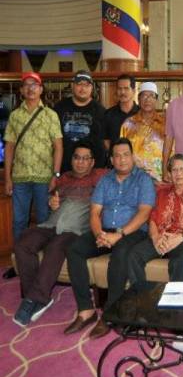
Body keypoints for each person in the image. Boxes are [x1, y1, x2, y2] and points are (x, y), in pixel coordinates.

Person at [64, 138, 155, 339]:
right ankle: (85, 310)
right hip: (105, 230)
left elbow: (144, 213)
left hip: (132, 232)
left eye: (126, 154)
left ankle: (109, 314)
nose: (122, 159)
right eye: (117, 155)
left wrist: (119, 234)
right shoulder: (105, 180)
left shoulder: (143, 180)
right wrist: (100, 235)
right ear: (111, 160)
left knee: (121, 253)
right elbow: (95, 212)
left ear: (133, 157)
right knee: (74, 249)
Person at [12, 141, 106, 326]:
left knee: (56, 247)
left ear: (93, 162)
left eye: (85, 159)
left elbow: (123, 172)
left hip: (76, 228)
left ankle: (32, 300)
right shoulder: (63, 178)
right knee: (23, 243)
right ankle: (38, 296)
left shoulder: (101, 176)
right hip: (51, 224)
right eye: (77, 158)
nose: (80, 162)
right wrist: (51, 201)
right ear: (72, 160)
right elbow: (52, 197)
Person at [3, 72, 63, 280]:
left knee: (45, 221)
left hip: (44, 178)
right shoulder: (14, 116)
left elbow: (58, 146)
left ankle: (44, 264)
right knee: (19, 221)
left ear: (41, 89)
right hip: (19, 178)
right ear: (21, 90)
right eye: (26, 85)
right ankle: (20, 264)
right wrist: (8, 177)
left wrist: (55, 174)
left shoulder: (50, 115)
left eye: (34, 85)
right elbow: (9, 147)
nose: (30, 88)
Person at [128, 154, 183, 288]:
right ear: (169, 173)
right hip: (161, 236)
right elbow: (152, 220)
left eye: (182, 169)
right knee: (134, 255)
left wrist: (179, 238)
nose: (178, 173)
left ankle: (176, 305)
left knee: (180, 262)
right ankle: (142, 298)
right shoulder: (160, 193)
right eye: (174, 170)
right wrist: (156, 237)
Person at [54, 69, 105, 171]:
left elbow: (102, 144)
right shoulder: (60, 108)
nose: (83, 88)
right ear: (72, 86)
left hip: (91, 172)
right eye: (79, 84)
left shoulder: (100, 111)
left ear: (91, 88)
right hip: (64, 170)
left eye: (86, 85)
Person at [120, 81, 165, 181]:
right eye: (144, 96)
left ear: (156, 99)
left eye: (151, 96)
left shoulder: (165, 124)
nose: (147, 99)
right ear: (138, 99)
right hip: (133, 178)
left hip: (159, 178)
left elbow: (171, 150)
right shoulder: (128, 124)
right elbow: (121, 151)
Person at [102, 74, 139, 151]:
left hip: (139, 161)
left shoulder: (141, 113)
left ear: (134, 91)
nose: (122, 92)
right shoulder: (108, 114)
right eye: (119, 88)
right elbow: (106, 141)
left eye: (126, 88)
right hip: (116, 160)